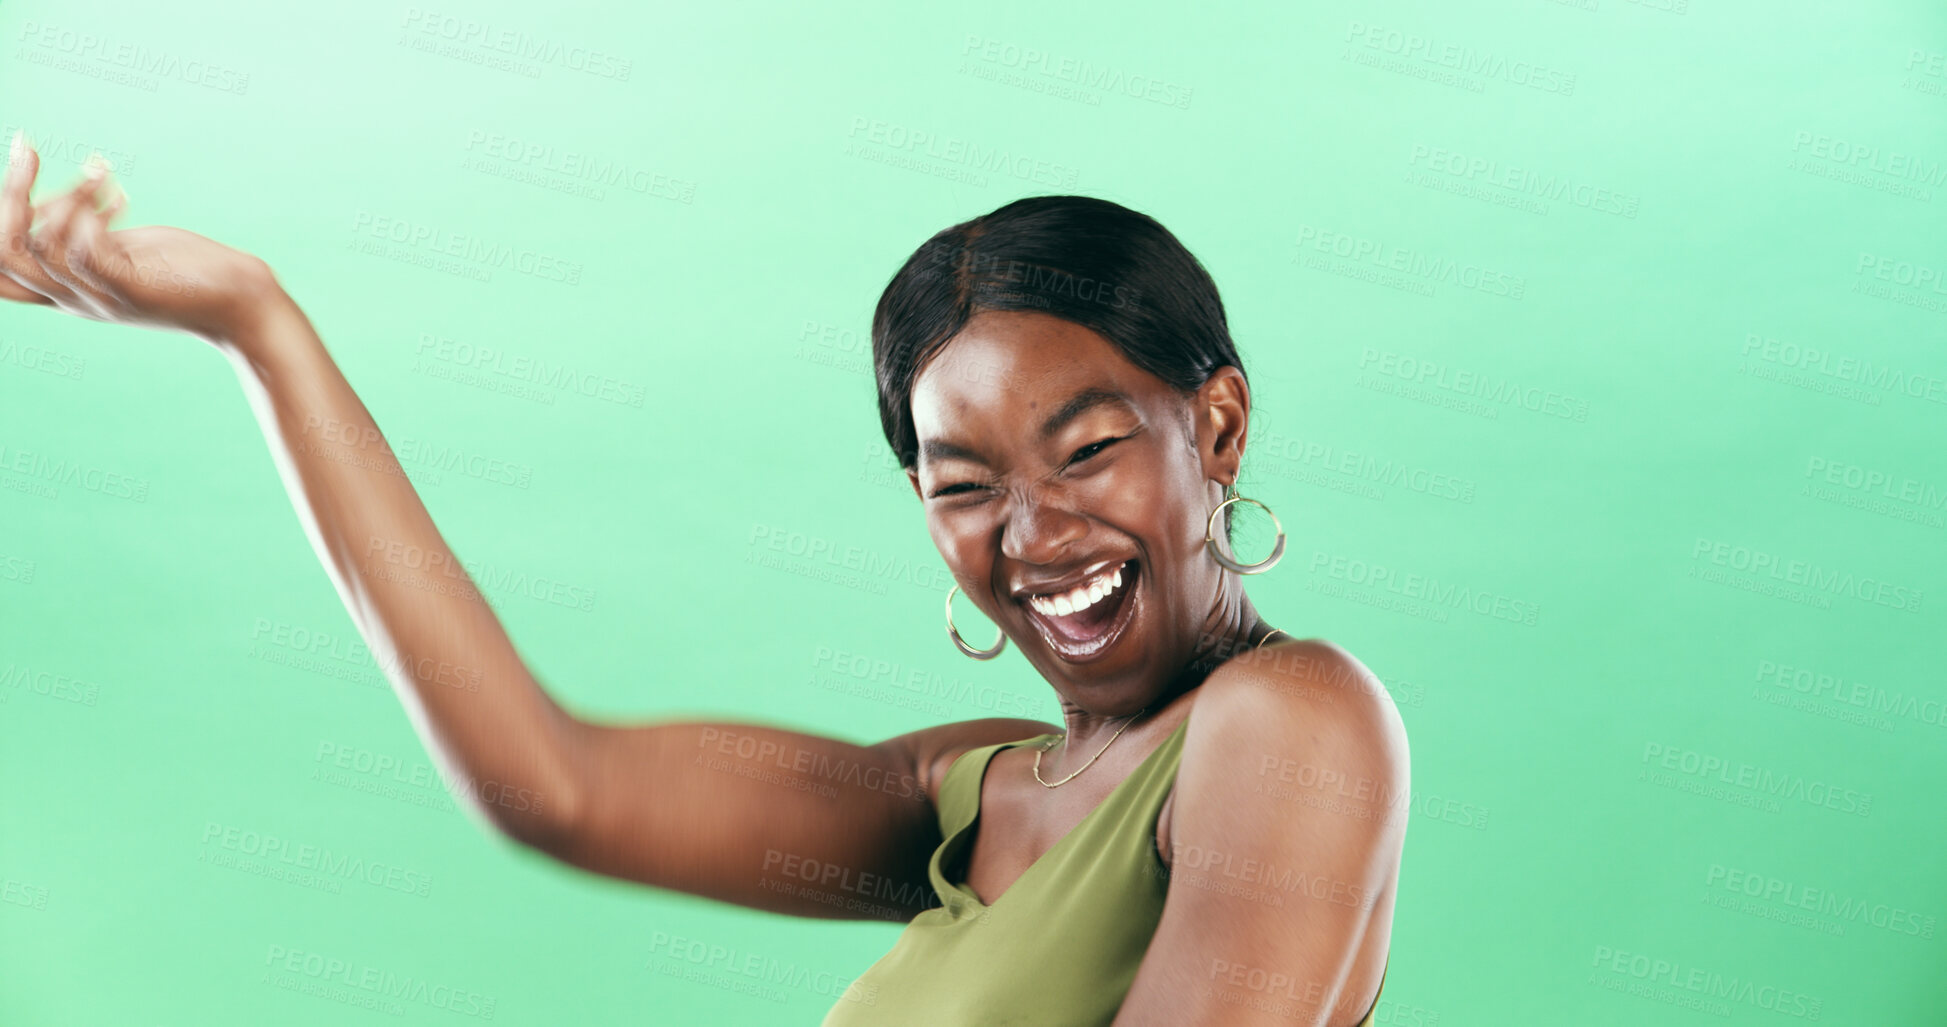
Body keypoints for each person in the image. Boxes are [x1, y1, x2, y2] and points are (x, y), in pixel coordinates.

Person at [2, 133, 1409, 1026]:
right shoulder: (980, 787)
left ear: (1213, 425)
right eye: (964, 484)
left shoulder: (1291, 718)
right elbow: (553, 788)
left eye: (1088, 448)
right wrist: (261, 330)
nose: (1033, 535)